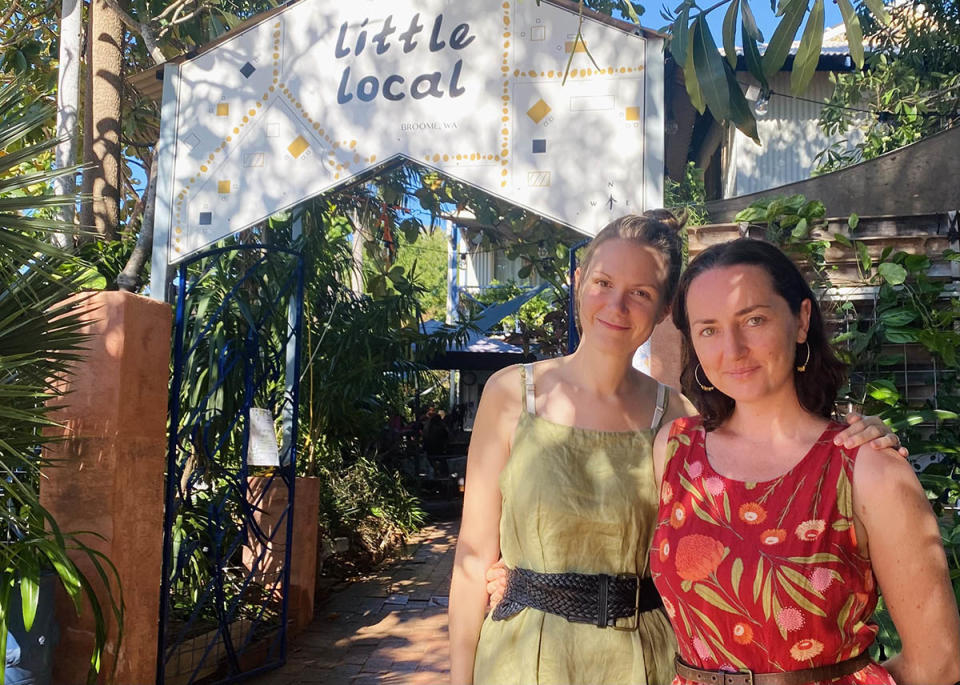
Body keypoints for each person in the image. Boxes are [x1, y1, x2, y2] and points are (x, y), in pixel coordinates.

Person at [449, 213, 903, 685]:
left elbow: (765, 462)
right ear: (578, 280)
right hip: (525, 657)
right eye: (603, 282)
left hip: (645, 658)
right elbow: (473, 558)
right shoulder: (510, 395)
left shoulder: (676, 421)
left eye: (641, 293)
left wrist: (862, 437)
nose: (616, 305)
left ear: (666, 309)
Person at [650, 238, 960, 685]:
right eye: (709, 329)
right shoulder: (675, 450)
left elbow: (937, 664)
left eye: (753, 319)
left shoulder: (867, 468)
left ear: (801, 320)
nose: (732, 349)